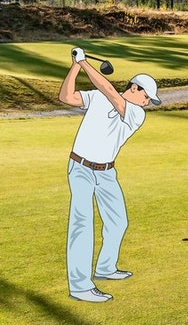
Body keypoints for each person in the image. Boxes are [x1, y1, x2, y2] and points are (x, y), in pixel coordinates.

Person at [57, 49, 160, 303]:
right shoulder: (98, 98)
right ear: (135, 88)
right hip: (80, 167)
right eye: (147, 97)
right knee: (81, 224)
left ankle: (105, 268)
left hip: (106, 172)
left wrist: (84, 62)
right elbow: (66, 96)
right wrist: (76, 66)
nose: (148, 102)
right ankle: (80, 286)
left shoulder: (136, 114)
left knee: (118, 222)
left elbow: (111, 94)